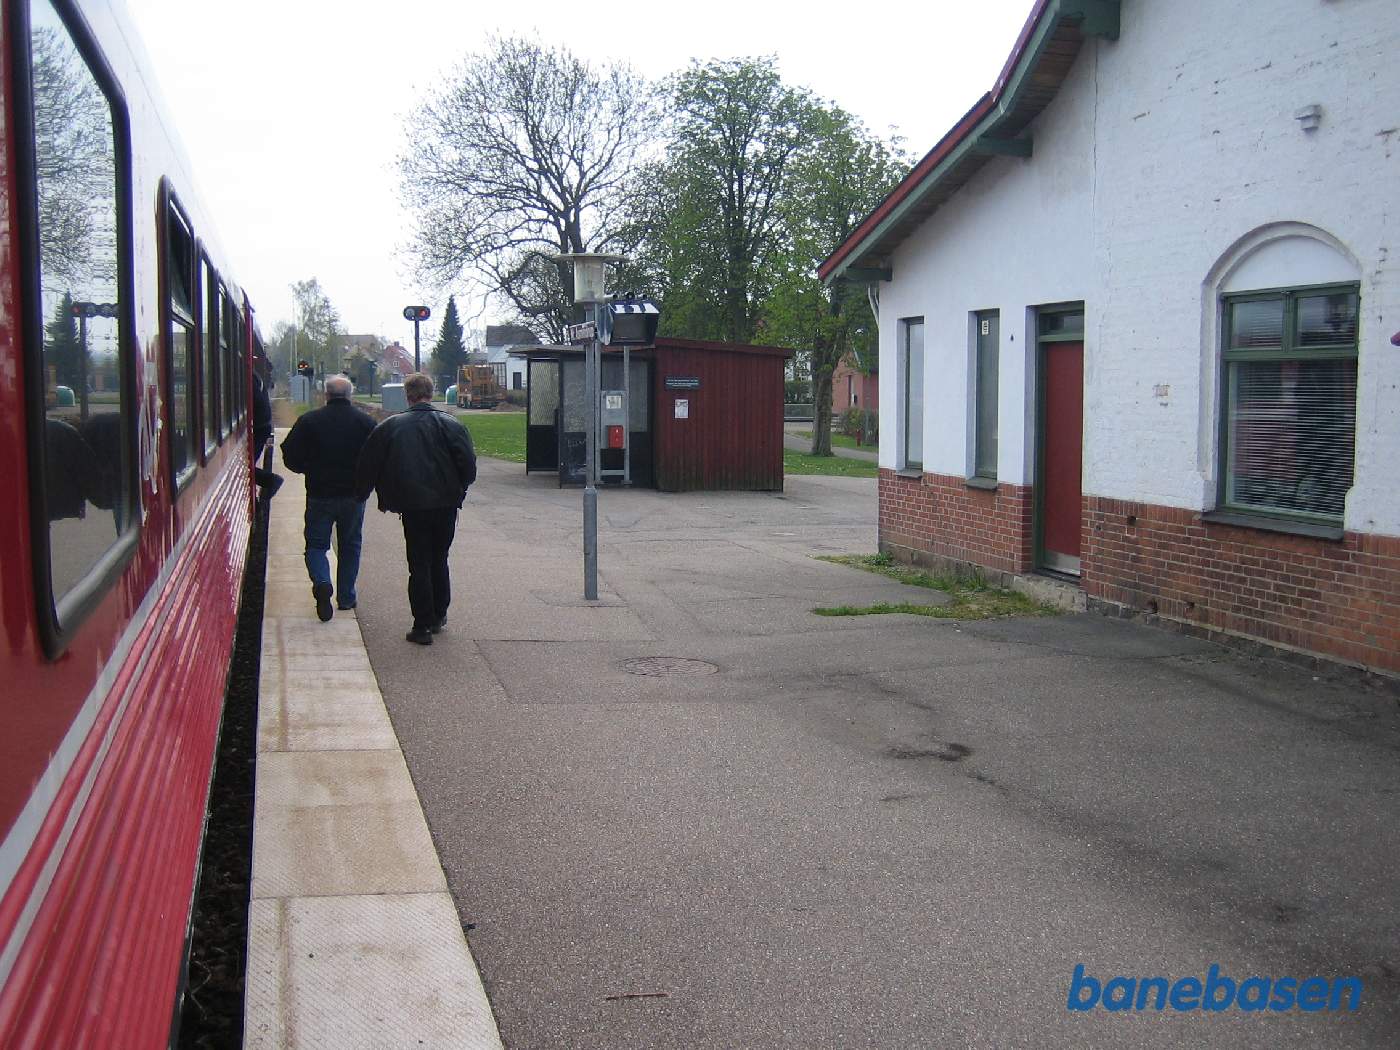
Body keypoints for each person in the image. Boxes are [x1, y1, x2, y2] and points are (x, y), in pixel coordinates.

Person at [354, 372, 476, 645]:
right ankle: (438, 614)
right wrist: (459, 488)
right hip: (445, 504)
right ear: (430, 394)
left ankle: (421, 625)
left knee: (418, 562)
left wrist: (362, 494)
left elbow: (368, 463)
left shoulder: (391, 426)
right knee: (439, 557)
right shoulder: (452, 425)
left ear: (407, 396)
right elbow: (468, 466)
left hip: (411, 505)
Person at [280, 374, 376, 621]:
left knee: (316, 545)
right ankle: (346, 597)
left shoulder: (309, 421)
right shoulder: (365, 423)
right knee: (350, 545)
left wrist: (306, 468)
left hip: (320, 494)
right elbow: (379, 457)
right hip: (354, 495)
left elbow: (289, 454)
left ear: (326, 395)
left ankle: (322, 581)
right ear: (350, 396)